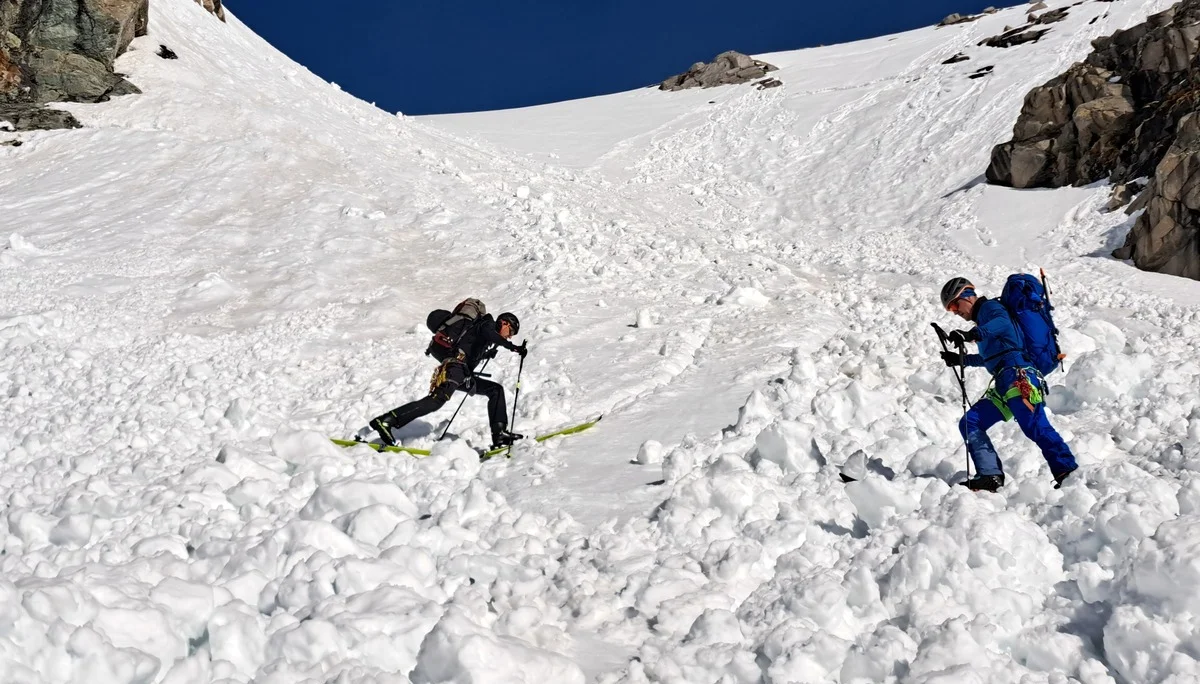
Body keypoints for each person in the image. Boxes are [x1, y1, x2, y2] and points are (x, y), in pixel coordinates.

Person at [939, 277, 1078, 491]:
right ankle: (989, 475)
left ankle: (1067, 470)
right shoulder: (983, 322)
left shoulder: (990, 308)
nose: (955, 311)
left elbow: (1002, 323)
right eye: (950, 309)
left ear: (968, 295)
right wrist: (961, 360)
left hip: (1019, 377)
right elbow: (991, 359)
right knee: (971, 422)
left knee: (1035, 425)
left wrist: (973, 334)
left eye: (955, 304)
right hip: (1005, 382)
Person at [370, 311, 527, 449]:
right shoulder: (487, 324)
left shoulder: (486, 335)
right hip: (454, 369)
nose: (510, 335)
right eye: (511, 331)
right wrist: (513, 347)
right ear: (504, 323)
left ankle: (499, 434)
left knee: (495, 390)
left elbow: (469, 348)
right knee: (436, 401)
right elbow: (492, 336)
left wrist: (485, 354)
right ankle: (385, 421)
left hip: (462, 373)